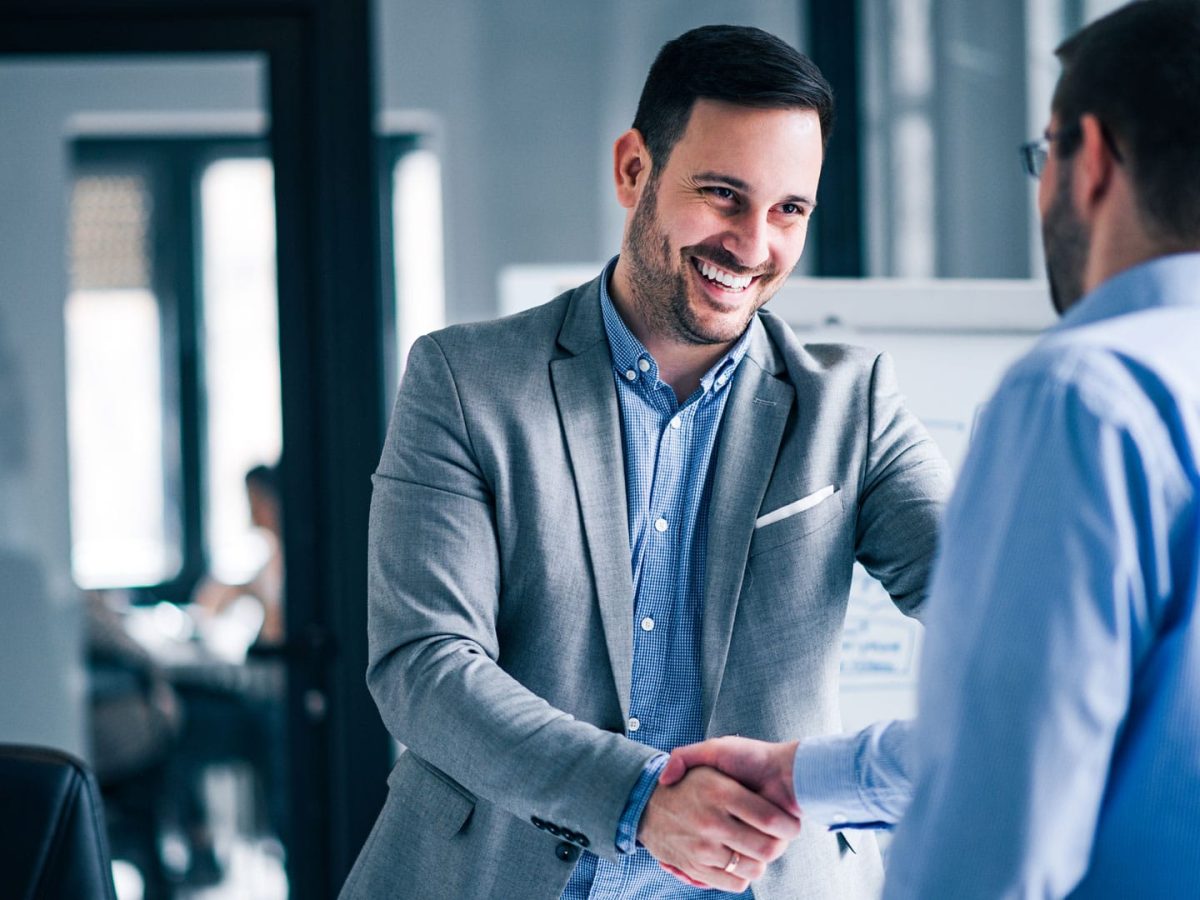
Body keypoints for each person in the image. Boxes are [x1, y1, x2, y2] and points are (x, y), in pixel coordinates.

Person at [342, 24, 949, 900]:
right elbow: (424, 664)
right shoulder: (465, 381)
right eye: (721, 195)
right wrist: (637, 801)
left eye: (789, 211)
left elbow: (995, 605)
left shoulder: (850, 409)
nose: (751, 244)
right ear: (635, 169)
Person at [662, 2, 1200, 896]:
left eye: (1044, 156)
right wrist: (803, 776)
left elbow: (1001, 816)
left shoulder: (1082, 396)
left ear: (1092, 157)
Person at [192, 463, 285, 645]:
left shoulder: (295, 560)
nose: (252, 512)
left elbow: (276, 630)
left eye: (257, 501)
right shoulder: (271, 555)